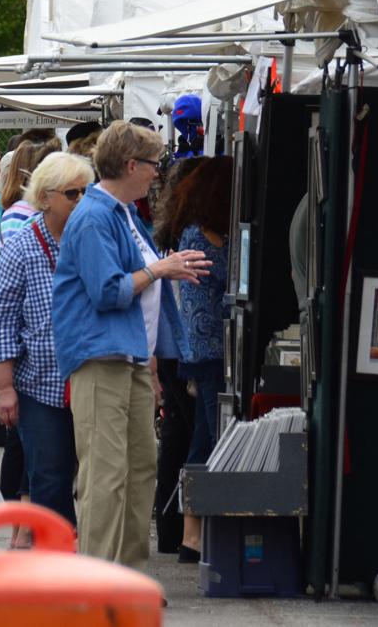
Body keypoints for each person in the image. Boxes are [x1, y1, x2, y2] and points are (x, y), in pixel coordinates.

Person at [51, 120, 210, 569]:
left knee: (140, 470)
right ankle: (97, 580)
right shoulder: (95, 216)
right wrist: (162, 269)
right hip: (101, 358)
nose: (157, 174)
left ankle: (127, 575)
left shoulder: (121, 212)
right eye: (154, 165)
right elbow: (108, 291)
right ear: (131, 164)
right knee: (106, 475)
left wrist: (154, 361)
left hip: (130, 358)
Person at [0, 153, 95, 540]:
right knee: (49, 475)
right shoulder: (22, 245)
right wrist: (4, 388)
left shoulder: (93, 238)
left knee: (96, 476)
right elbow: (0, 317)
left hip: (91, 376)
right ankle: (58, 559)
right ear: (46, 197)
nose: (82, 200)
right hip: (40, 384)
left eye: (87, 191)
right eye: (73, 193)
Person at [172, 157, 233, 562]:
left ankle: (191, 534)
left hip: (205, 350)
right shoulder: (200, 239)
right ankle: (194, 532)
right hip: (208, 350)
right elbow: (227, 280)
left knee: (203, 438)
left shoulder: (198, 233)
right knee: (214, 438)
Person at [149, 156, 208, 556]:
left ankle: (171, 530)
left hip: (171, 346)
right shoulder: (193, 235)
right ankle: (182, 533)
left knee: (177, 436)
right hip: (182, 347)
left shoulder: (172, 228)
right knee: (191, 435)